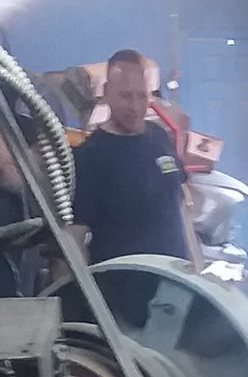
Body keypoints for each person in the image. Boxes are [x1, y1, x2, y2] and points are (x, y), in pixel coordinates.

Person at [70, 49, 191, 263]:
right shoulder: (90, 155)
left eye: (141, 96)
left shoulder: (159, 137)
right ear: (107, 92)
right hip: (125, 280)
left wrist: (195, 270)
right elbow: (76, 236)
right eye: (125, 96)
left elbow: (179, 206)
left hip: (174, 277)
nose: (135, 107)